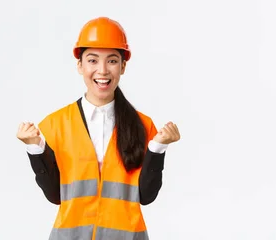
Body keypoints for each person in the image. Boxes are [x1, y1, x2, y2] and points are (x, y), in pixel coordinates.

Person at [16, 16, 181, 240]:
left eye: (112, 61)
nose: (102, 70)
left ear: (123, 66)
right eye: (92, 60)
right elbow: (55, 195)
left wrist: (158, 148)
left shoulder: (143, 125)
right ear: (80, 65)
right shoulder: (55, 125)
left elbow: (147, 195)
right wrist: (34, 149)